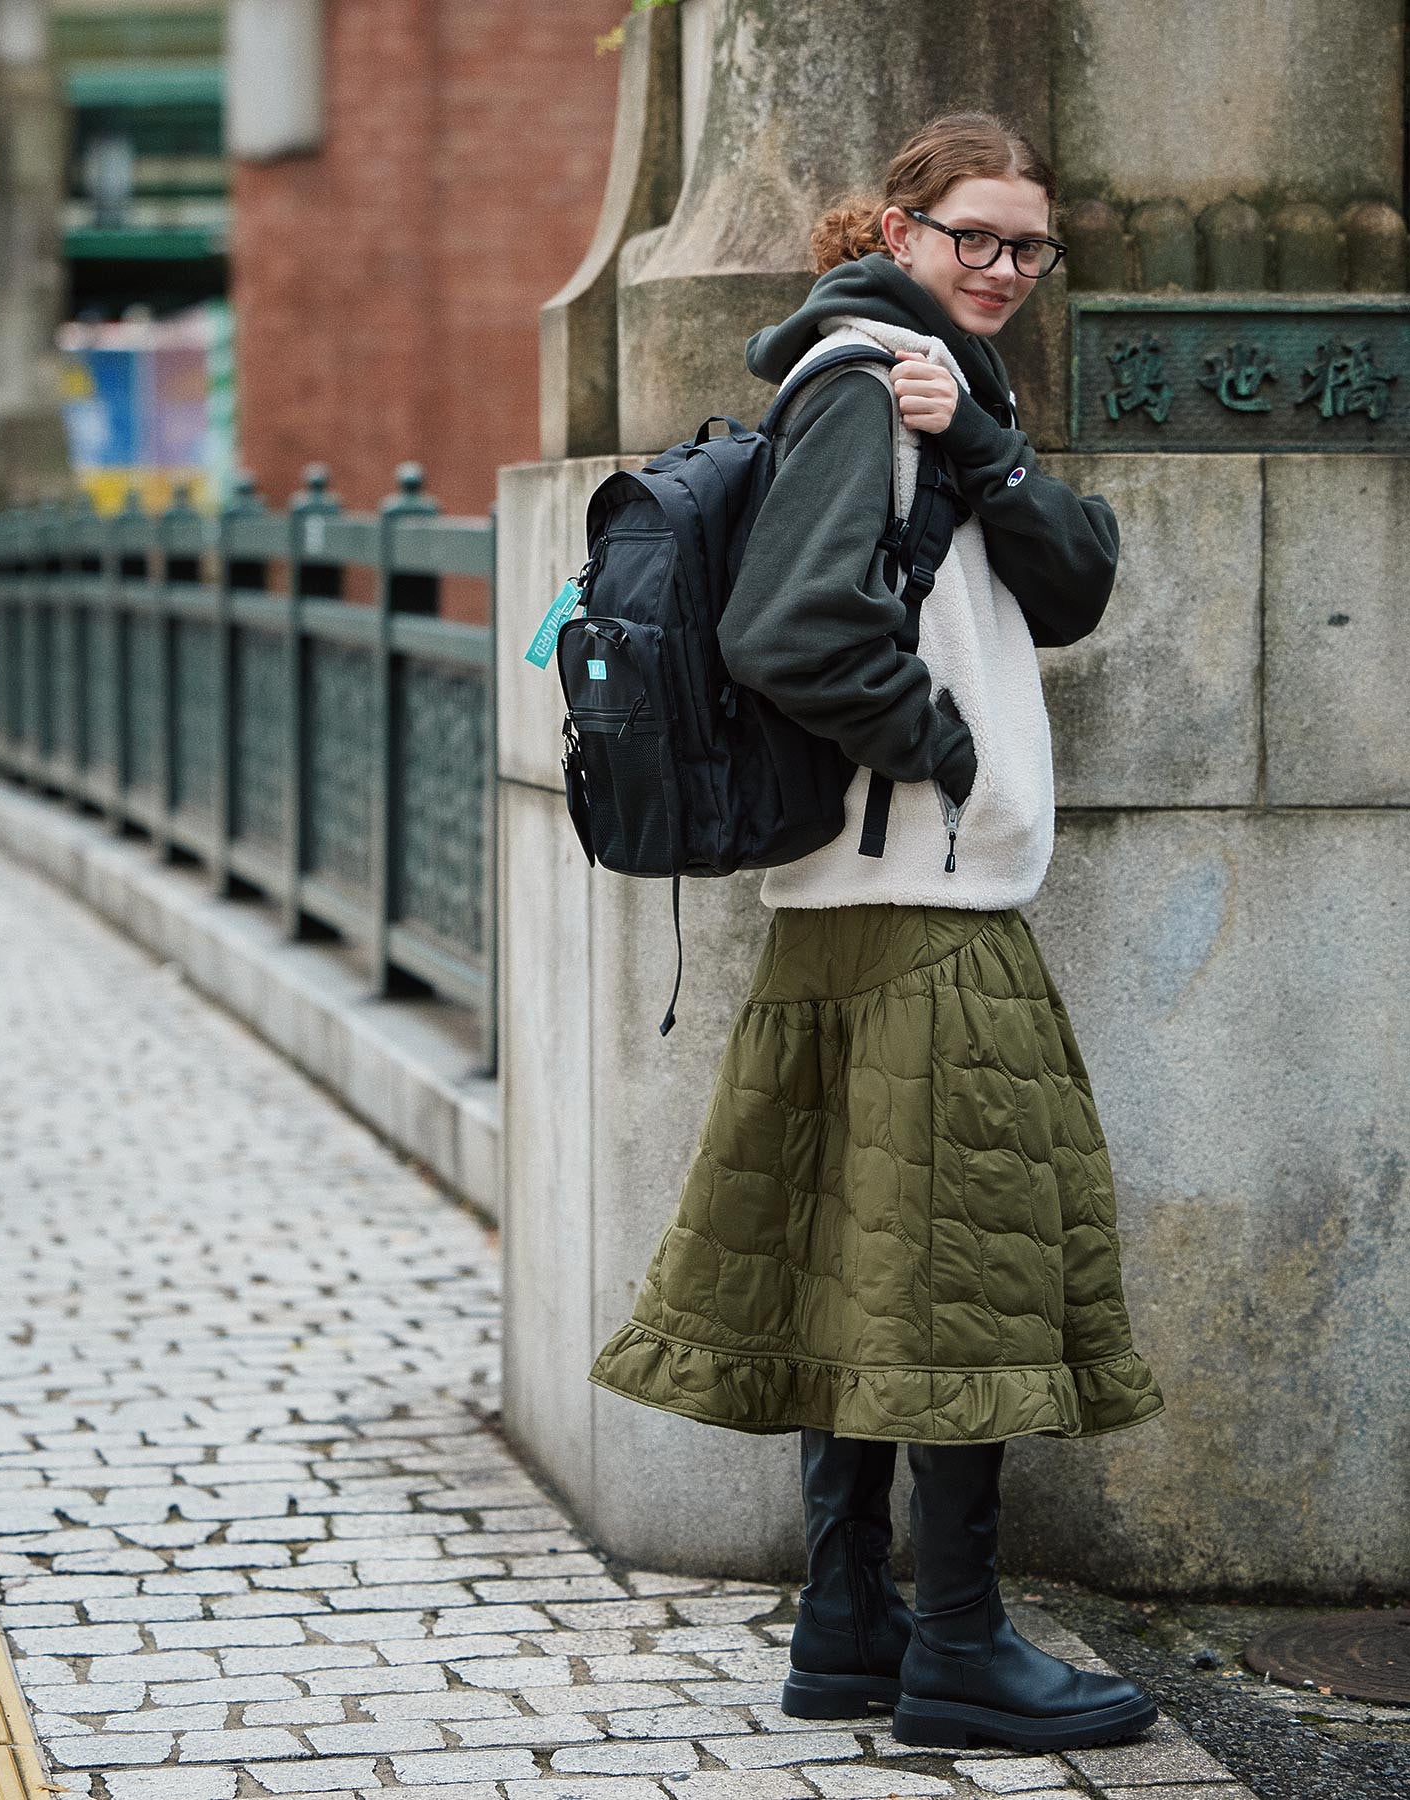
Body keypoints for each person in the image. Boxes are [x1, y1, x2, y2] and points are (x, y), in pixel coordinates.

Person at [587, 110, 1167, 1753]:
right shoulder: (861, 378)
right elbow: (789, 625)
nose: (1004, 267)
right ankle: (960, 1648)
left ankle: (849, 1626)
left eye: (1029, 245)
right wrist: (946, 752)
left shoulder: (941, 394)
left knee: (861, 1268)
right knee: (967, 1276)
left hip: (857, 912)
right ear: (900, 231)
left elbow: (1075, 584)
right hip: (919, 904)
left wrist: (980, 443)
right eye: (973, 235)